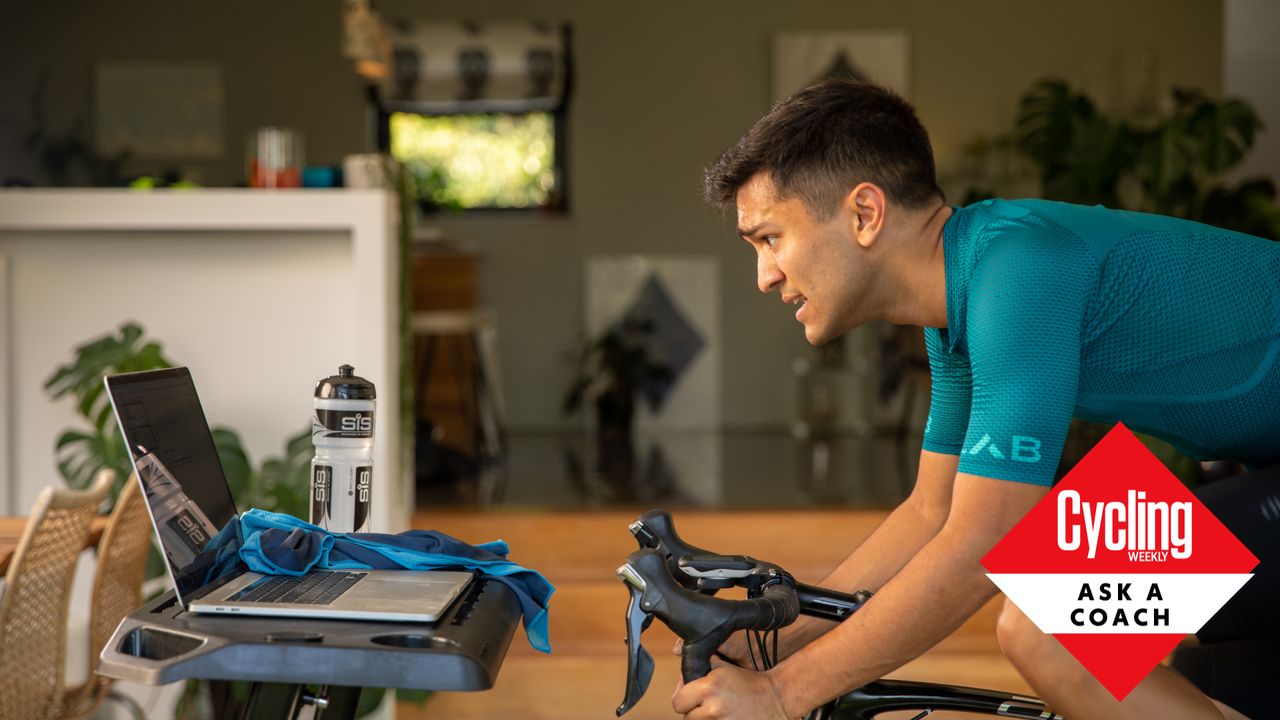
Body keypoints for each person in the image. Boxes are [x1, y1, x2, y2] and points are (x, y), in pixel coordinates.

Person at [672, 79, 1280, 720]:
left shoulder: (1018, 269)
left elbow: (985, 537)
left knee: (1051, 623)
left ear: (864, 214)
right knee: (1190, 686)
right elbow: (930, 513)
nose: (764, 276)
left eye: (770, 239)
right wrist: (769, 648)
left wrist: (782, 693)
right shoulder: (964, 298)